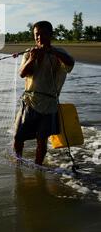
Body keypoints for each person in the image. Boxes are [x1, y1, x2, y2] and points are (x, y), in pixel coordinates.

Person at [13, 21, 75, 165]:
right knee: (18, 137)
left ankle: (38, 166)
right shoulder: (29, 52)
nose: (39, 38)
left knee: (42, 140)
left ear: (50, 35)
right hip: (30, 101)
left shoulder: (60, 53)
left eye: (43, 34)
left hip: (50, 104)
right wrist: (33, 58)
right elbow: (22, 73)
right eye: (37, 35)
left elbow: (70, 63)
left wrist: (51, 51)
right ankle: (18, 165)